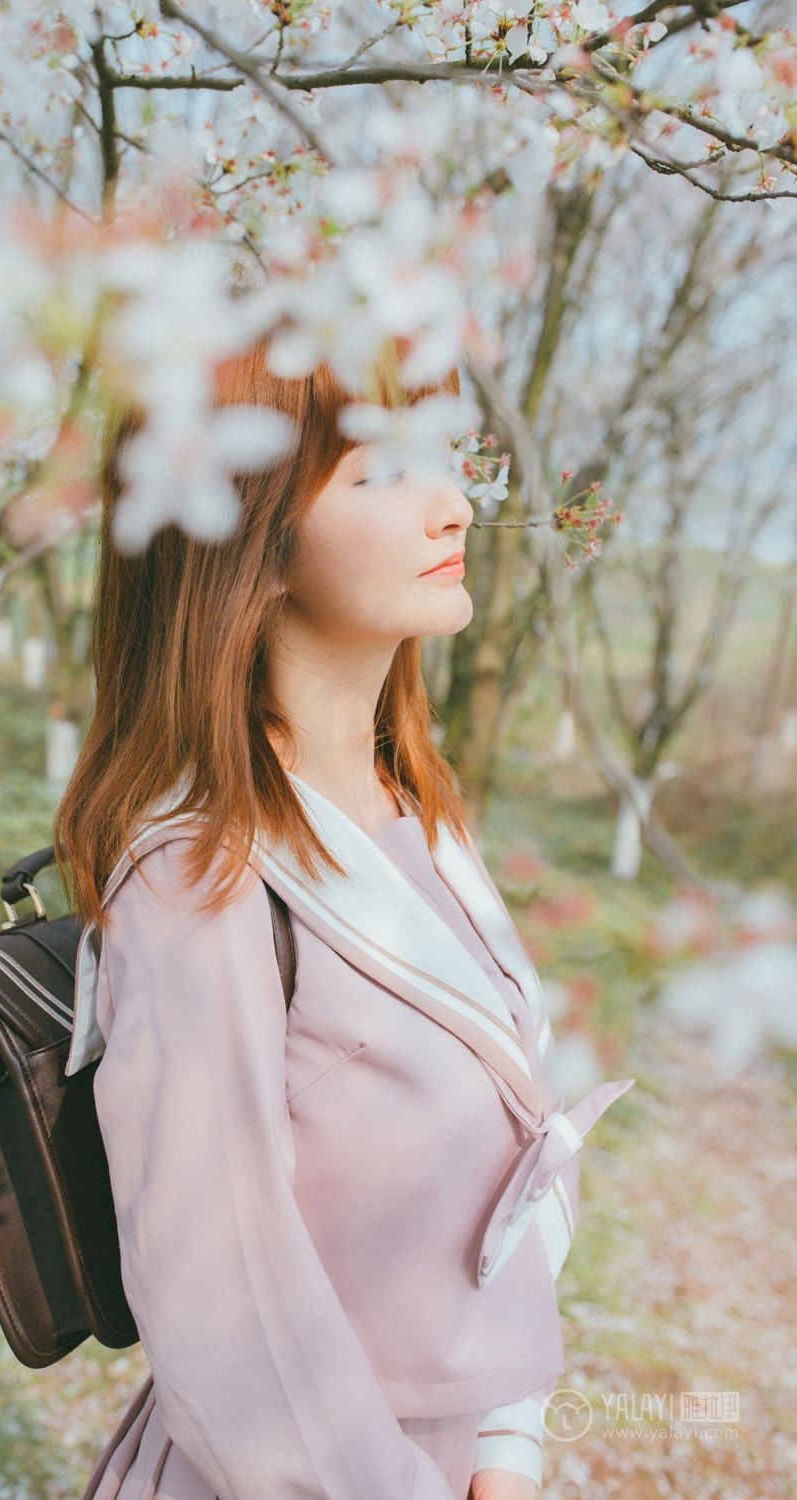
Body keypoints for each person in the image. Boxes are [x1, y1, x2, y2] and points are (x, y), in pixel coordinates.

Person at [55, 335, 634, 1500]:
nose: (450, 505)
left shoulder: (419, 813)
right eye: (379, 471)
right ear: (245, 538)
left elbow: (508, 1154)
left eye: (442, 455)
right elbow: (225, 1313)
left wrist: (507, 1444)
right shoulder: (200, 877)